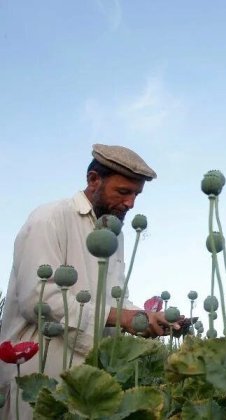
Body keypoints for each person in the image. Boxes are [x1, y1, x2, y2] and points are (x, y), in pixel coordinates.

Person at [0, 144, 176, 419]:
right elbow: (38, 299)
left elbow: (116, 298)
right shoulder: (49, 219)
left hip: (91, 379)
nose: (131, 203)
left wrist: (145, 318)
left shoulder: (114, 233)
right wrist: (121, 316)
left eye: (136, 195)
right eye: (123, 192)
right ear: (94, 180)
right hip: (40, 374)